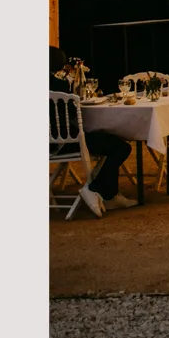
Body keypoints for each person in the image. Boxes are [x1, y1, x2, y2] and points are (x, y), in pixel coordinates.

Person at [50, 46, 136, 216]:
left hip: (48, 144)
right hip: (64, 144)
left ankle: (110, 196)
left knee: (110, 142)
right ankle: (95, 189)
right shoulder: (59, 85)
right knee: (120, 146)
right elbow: (73, 114)